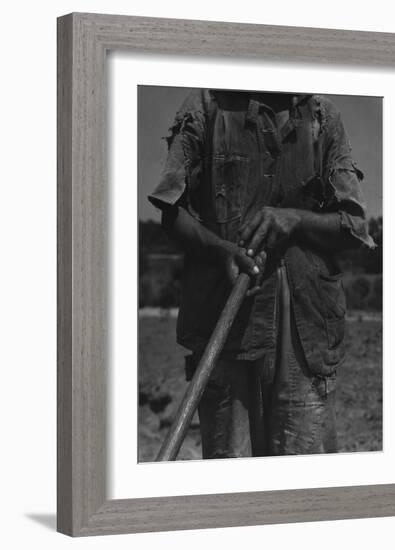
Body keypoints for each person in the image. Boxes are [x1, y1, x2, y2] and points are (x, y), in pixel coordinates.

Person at [148, 89, 375, 459]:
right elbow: (172, 213)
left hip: (306, 328)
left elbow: (354, 225)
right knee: (229, 478)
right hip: (222, 320)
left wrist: (295, 219)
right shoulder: (206, 107)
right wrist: (220, 248)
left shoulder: (322, 116)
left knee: (303, 483)